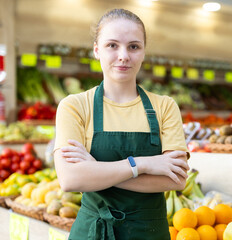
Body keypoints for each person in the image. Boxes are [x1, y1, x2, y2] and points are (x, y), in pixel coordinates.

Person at [53, 8, 190, 240]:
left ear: (144, 52)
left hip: (149, 233)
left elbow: (176, 179)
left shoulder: (165, 107)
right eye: (112, 45)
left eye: (134, 46)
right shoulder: (74, 106)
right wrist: (143, 164)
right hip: (92, 232)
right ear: (97, 50)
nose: (124, 55)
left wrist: (96, 169)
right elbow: (71, 179)